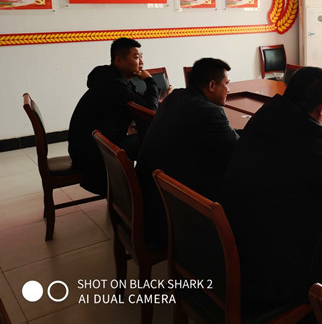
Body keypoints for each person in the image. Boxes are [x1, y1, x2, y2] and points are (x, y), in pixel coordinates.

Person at [221, 67, 322, 309]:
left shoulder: (264, 116)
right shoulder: (314, 136)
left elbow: (290, 161)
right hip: (277, 274)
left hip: (243, 252)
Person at [135, 57, 239, 248]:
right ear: (212, 85)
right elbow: (236, 153)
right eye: (227, 84)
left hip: (150, 199)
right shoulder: (209, 112)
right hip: (173, 213)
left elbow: (224, 138)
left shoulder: (175, 97)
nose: (229, 90)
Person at [68, 37, 160, 197]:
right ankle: (145, 192)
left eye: (141, 57)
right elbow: (148, 110)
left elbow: (137, 101)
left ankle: (143, 187)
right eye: (136, 57)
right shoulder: (114, 85)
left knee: (149, 140)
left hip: (89, 144)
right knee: (154, 144)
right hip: (92, 152)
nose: (142, 62)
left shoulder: (110, 78)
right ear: (119, 60)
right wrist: (150, 81)